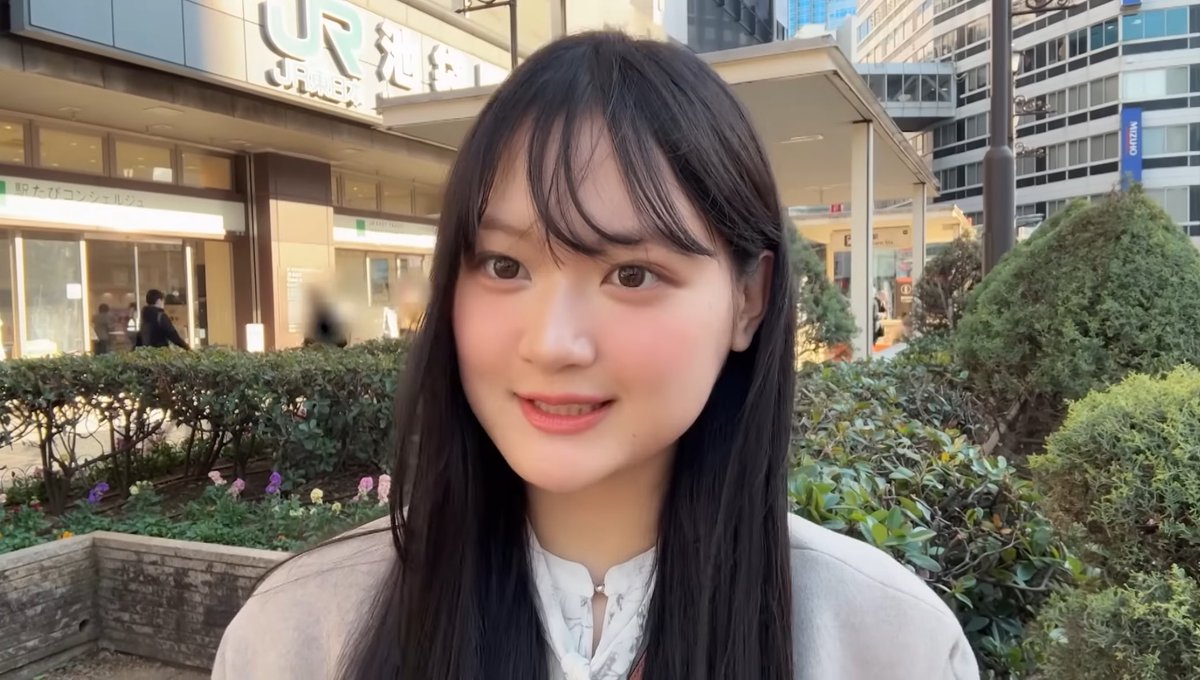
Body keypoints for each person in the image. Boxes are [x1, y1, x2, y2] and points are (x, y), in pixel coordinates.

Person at [214, 32, 978, 680]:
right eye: (505, 266)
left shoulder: (888, 645)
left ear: (748, 299)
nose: (552, 343)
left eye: (632, 275)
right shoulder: (298, 635)